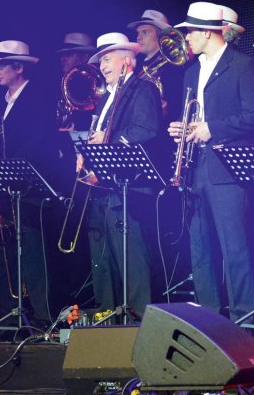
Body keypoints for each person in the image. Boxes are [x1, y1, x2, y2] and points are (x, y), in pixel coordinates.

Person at [167, 1, 254, 319]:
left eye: (191, 32)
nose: (186, 38)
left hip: (227, 170)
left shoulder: (242, 65)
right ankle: (207, 316)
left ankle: (244, 315)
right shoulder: (191, 72)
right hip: (196, 168)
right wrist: (183, 130)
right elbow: (194, 118)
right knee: (200, 248)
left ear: (208, 32)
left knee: (234, 246)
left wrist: (211, 129)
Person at [81, 33, 161, 318]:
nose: (102, 67)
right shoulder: (107, 97)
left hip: (130, 186)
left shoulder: (143, 89)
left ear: (126, 60)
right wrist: (86, 153)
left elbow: (146, 129)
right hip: (104, 186)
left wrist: (108, 138)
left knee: (132, 256)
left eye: (107, 60)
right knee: (103, 255)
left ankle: (139, 318)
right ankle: (107, 315)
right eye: (101, 61)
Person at [0, 40, 56, 326]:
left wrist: (7, 167)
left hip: (27, 188)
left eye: (1, 66)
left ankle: (44, 317)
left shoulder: (37, 98)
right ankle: (11, 316)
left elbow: (39, 141)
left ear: (18, 67)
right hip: (5, 187)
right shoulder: (2, 103)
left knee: (33, 253)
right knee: (8, 254)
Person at [129, 9, 183, 122]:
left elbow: (176, 105)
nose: (138, 37)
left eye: (145, 32)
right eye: (138, 33)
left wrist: (167, 108)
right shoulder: (136, 65)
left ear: (161, 37)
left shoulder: (173, 67)